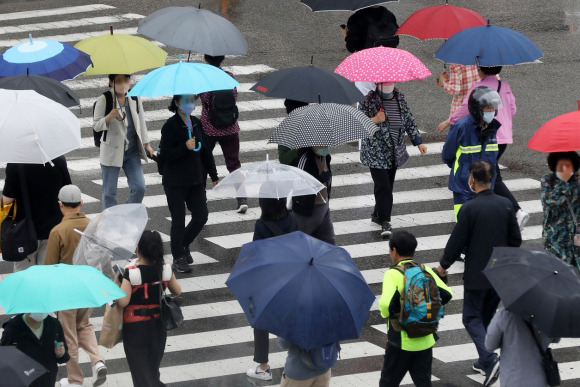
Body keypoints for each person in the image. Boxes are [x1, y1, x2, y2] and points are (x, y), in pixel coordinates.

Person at [437, 160, 522, 387]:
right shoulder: (505, 205)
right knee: (486, 315)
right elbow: (516, 240)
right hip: (500, 274)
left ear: (472, 181)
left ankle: (490, 358)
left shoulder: (470, 208)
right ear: (492, 178)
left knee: (471, 317)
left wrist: (444, 264)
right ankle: (484, 361)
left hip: (478, 273)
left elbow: (458, 241)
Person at [439, 66, 529, 229]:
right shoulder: (504, 86)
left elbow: (465, 109)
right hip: (503, 135)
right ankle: (510, 211)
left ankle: (514, 211)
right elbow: (513, 109)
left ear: (480, 70)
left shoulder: (477, 88)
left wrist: (449, 121)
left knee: (491, 176)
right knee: (491, 174)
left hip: (486, 135)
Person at [43, 185, 107, 387]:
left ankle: (75, 380)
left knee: (68, 333)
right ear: (81, 203)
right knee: (84, 325)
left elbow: (50, 267)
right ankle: (97, 361)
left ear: (60, 205)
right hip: (88, 287)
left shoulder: (57, 231)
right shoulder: (93, 226)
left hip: (66, 291)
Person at [378, 231, 452, 387]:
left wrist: (393, 313)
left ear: (394, 251)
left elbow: (385, 306)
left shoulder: (393, 274)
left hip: (401, 341)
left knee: (388, 382)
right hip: (426, 338)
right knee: (423, 383)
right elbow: (447, 294)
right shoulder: (425, 270)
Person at [158, 94, 219, 273]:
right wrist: (184, 147)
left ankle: (183, 244)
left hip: (195, 180)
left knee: (201, 215)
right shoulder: (170, 126)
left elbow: (206, 151)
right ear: (177, 103)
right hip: (175, 182)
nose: (190, 104)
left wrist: (214, 175)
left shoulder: (197, 123)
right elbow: (165, 154)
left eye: (192, 100)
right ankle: (178, 257)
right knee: (178, 220)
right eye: (185, 101)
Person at [359, 82, 427, 236]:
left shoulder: (400, 99)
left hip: (394, 151)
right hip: (375, 152)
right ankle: (385, 222)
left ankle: (378, 214)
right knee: (383, 186)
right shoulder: (368, 101)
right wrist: (375, 119)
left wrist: (418, 142)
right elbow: (359, 124)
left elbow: (409, 120)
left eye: (390, 82)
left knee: (387, 186)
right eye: (384, 83)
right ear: (377, 83)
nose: (388, 85)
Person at [117, 230, 182, 387]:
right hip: (159, 325)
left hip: (135, 328)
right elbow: (177, 291)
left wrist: (117, 282)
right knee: (153, 367)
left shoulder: (131, 273)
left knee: (140, 371)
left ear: (138, 249)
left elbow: (123, 302)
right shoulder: (165, 269)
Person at [246, 183, 298, 381]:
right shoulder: (293, 220)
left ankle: (263, 366)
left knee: (260, 321)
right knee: (293, 319)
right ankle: (294, 361)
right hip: (291, 279)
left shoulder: (261, 226)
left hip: (270, 282)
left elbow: (255, 255)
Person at [93, 74, 154, 210]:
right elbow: (96, 126)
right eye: (118, 81)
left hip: (131, 152)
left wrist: (147, 144)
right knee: (109, 193)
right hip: (111, 152)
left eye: (126, 80)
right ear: (111, 82)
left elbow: (141, 122)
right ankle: (109, 223)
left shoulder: (134, 97)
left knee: (140, 187)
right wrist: (109, 116)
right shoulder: (104, 100)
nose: (123, 84)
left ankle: (126, 214)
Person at [1, 156, 71, 272]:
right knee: (47, 276)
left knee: (25, 277)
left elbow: (7, 200)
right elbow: (67, 189)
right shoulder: (58, 160)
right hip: (53, 228)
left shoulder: (16, 163)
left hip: (24, 231)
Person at [441, 86, 501, 221]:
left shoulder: (493, 128)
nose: (491, 112)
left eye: (493, 108)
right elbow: (447, 154)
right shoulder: (461, 127)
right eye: (487, 109)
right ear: (476, 109)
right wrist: (461, 170)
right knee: (464, 224)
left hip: (486, 186)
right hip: (463, 186)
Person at [199, 54, 247, 213]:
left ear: (206, 60)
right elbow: (234, 98)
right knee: (234, 164)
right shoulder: (229, 76)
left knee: (203, 163)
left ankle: (200, 199)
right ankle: (242, 199)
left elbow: (202, 99)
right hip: (230, 127)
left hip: (208, 128)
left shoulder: (203, 78)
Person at [485, 307, 560, 387]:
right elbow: (556, 339)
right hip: (541, 378)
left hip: (512, 379)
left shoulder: (505, 314)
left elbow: (490, 345)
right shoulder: (550, 315)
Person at [1, 313, 69, 387]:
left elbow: (63, 358)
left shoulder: (54, 324)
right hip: (24, 377)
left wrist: (61, 353)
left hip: (48, 377)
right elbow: (3, 355)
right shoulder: (14, 326)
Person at [541, 151, 580, 270]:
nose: (565, 169)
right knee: (558, 272)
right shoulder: (548, 181)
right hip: (555, 238)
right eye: (561, 166)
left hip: (576, 236)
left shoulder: (577, 181)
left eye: (568, 165)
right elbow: (550, 202)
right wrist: (564, 182)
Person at [292, 147, 336, 245]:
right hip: (307, 212)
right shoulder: (304, 159)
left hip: (324, 210)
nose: (323, 146)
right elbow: (297, 186)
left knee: (330, 245)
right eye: (320, 144)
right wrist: (317, 179)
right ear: (311, 145)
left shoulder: (326, 157)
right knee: (300, 247)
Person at [278, 99, 308, 165]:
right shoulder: (286, 130)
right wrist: (298, 148)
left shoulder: (313, 125)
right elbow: (283, 159)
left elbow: (323, 152)